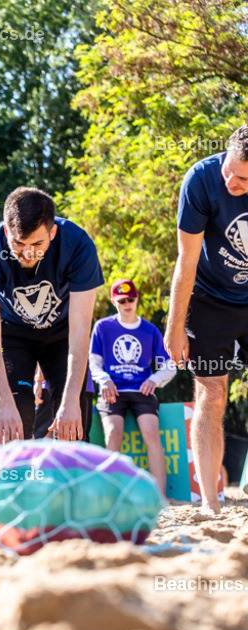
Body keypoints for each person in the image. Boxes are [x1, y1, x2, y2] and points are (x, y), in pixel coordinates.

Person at [0, 187, 104, 442]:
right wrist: (3, 403)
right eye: (18, 243)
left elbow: (82, 328)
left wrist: (71, 399)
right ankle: (20, 478)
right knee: (17, 412)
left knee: (74, 418)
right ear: (6, 231)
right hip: (14, 334)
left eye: (37, 244)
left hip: (63, 333)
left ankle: (70, 480)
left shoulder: (79, 246)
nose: (27, 253)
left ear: (53, 232)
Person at [165, 125, 248, 514]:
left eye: (243, 178)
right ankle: (211, 504)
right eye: (229, 171)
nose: (231, 181)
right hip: (210, 298)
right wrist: (174, 325)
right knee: (211, 392)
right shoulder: (201, 180)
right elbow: (187, 259)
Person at [91, 279, 175, 494]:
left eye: (130, 299)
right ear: (113, 302)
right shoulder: (103, 327)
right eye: (121, 301)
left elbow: (170, 366)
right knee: (113, 432)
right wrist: (104, 380)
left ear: (136, 298)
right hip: (113, 390)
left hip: (141, 390)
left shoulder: (150, 330)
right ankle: (109, 494)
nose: (127, 303)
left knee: (151, 432)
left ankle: (160, 496)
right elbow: (94, 363)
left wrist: (154, 379)